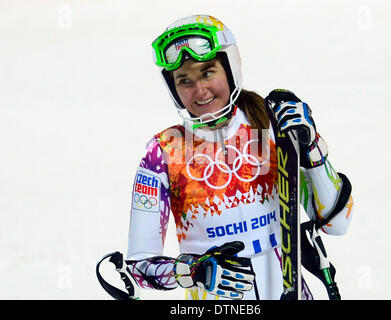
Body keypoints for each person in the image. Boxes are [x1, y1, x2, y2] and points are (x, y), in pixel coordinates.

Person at [126, 14, 354, 300]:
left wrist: (312, 150)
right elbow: (139, 267)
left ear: (230, 68)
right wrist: (196, 271)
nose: (200, 90)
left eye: (208, 72)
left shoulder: (273, 124)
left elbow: (338, 222)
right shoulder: (163, 152)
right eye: (185, 80)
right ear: (173, 88)